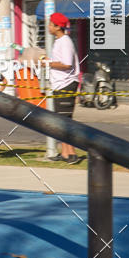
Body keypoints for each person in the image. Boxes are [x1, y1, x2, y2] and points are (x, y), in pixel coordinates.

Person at [41, 13, 83, 164]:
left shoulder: (65, 41)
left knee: (64, 122)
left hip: (66, 84)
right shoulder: (60, 41)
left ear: (58, 26)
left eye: (51, 24)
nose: (49, 27)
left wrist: (48, 63)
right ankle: (65, 153)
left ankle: (71, 154)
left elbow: (66, 64)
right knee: (62, 121)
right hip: (60, 84)